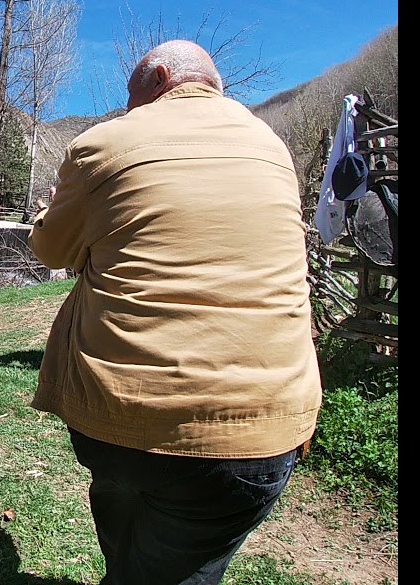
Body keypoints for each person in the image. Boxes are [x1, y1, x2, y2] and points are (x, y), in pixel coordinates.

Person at [27, 40, 322, 585]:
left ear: (160, 76)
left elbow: (51, 251)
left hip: (120, 418)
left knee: (130, 520)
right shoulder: (274, 148)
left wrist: (51, 210)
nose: (129, 108)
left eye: (131, 94)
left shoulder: (104, 144)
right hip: (261, 428)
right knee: (178, 558)